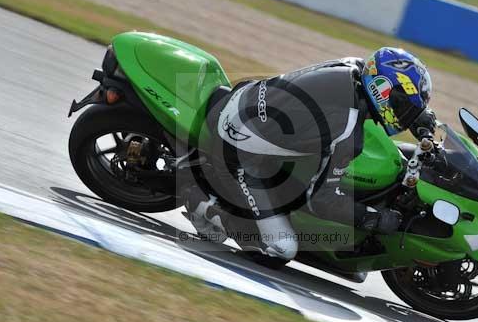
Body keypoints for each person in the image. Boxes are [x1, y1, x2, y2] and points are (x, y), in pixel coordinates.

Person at [186, 47, 436, 263]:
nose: (405, 113)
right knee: (281, 248)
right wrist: (372, 218)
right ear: (382, 91)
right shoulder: (345, 127)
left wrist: (416, 119)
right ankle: (203, 203)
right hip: (238, 151)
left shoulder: (355, 68)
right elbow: (319, 200)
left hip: (249, 99)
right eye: (404, 105)